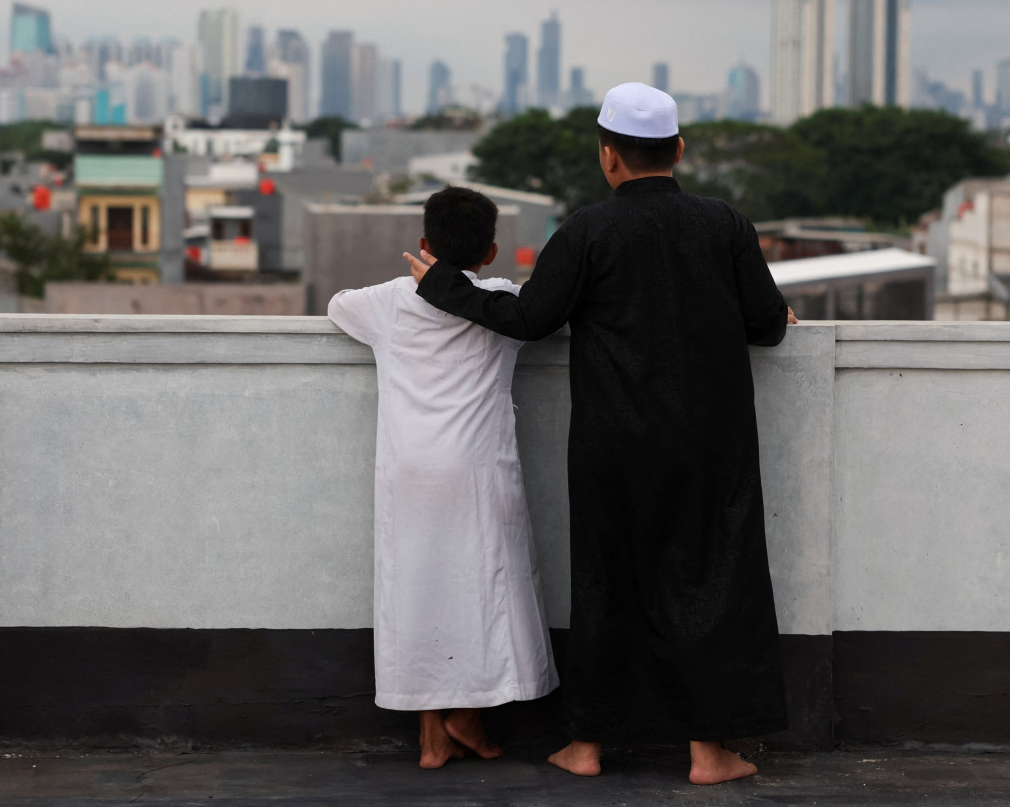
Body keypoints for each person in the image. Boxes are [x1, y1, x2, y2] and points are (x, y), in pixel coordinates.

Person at [404, 83, 796, 786]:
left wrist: (443, 286)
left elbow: (529, 320)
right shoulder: (726, 224)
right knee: (713, 581)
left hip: (613, 444)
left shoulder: (585, 230)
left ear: (607, 156)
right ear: (678, 150)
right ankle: (709, 753)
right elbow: (765, 320)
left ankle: (585, 747)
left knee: (606, 583)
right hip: (711, 443)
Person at [328, 185, 559, 770]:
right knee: (483, 591)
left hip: (409, 472)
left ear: (424, 245)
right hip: (480, 470)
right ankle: (469, 717)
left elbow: (337, 304)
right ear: (490, 252)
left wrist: (410, 282)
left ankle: (434, 736)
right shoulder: (503, 299)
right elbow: (544, 316)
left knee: (418, 594)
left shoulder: (387, 303)